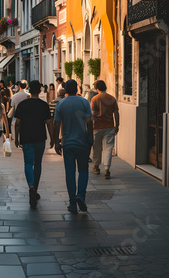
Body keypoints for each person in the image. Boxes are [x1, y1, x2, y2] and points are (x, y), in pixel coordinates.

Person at [54, 79, 92, 214]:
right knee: (83, 170)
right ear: (76, 89)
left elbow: (56, 124)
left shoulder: (61, 104)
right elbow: (89, 122)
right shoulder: (84, 102)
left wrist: (56, 142)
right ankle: (81, 195)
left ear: (65, 90)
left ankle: (72, 203)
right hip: (82, 143)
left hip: (68, 144)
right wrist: (90, 137)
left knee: (70, 173)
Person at [14, 80, 51, 209]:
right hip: (40, 137)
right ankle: (35, 189)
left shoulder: (22, 105)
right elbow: (49, 122)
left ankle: (31, 186)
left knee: (28, 163)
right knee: (38, 163)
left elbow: (17, 122)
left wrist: (16, 138)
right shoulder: (43, 105)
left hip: (26, 137)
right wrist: (53, 138)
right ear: (40, 90)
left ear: (29, 90)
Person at [91, 80, 120, 179]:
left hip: (97, 127)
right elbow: (116, 113)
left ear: (97, 88)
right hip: (109, 126)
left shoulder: (94, 99)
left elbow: (92, 114)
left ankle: (96, 166)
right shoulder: (111, 98)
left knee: (97, 147)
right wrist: (117, 125)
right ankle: (107, 169)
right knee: (108, 148)